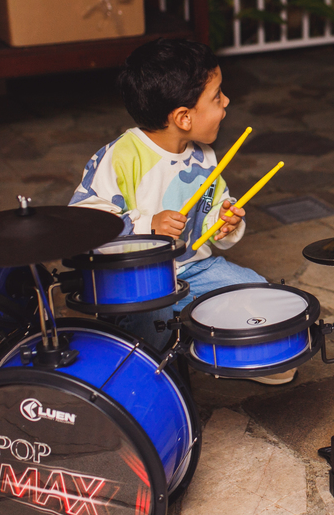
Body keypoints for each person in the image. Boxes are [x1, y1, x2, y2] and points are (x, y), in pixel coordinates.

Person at [68, 38, 293, 384]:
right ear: (184, 117)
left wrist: (225, 220)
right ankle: (149, 371)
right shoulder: (121, 157)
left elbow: (214, 204)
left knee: (258, 292)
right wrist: (147, 225)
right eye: (218, 96)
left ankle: (240, 353)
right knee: (152, 323)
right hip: (138, 280)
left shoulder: (203, 154)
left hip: (195, 266)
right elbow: (84, 221)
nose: (227, 102)